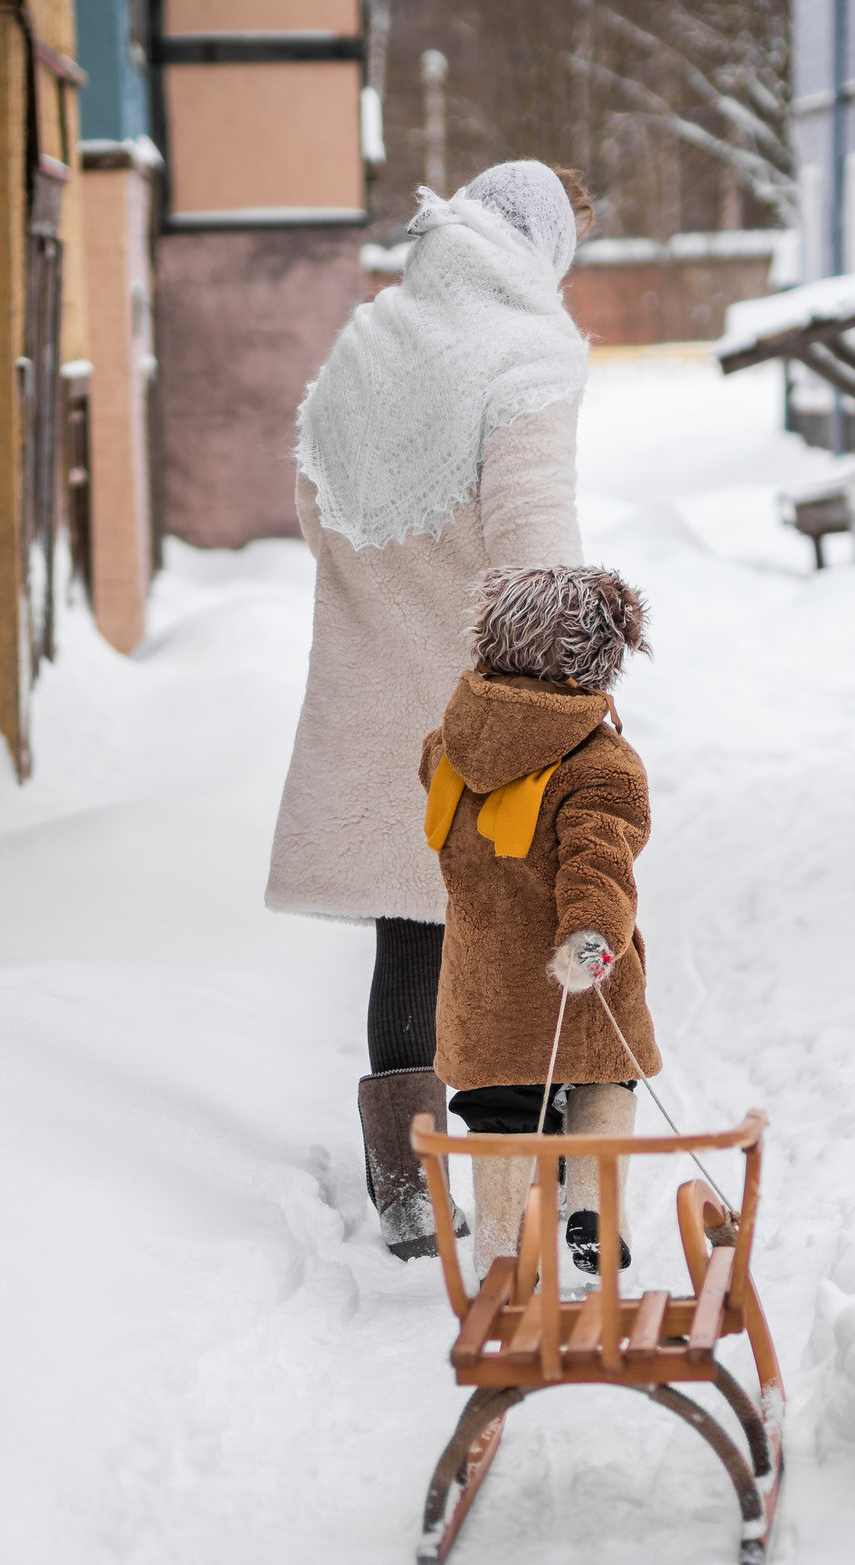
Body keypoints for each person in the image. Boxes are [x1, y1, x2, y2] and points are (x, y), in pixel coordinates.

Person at [267, 161, 596, 1258]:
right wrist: (568, 675)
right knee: (518, 920)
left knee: (411, 926)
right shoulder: (528, 353)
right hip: (485, 684)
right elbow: (535, 531)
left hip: (370, 671)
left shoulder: (372, 337)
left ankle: (405, 1186)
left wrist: (382, 588)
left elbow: (311, 498)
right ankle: (526, 1176)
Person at [420, 563, 658, 1277]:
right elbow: (597, 864)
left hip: (483, 984)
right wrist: (591, 940)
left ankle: (500, 1253)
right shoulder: (599, 760)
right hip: (574, 973)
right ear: (599, 655)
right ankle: (591, 1209)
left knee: (499, 1114)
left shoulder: (450, 743)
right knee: (603, 1077)